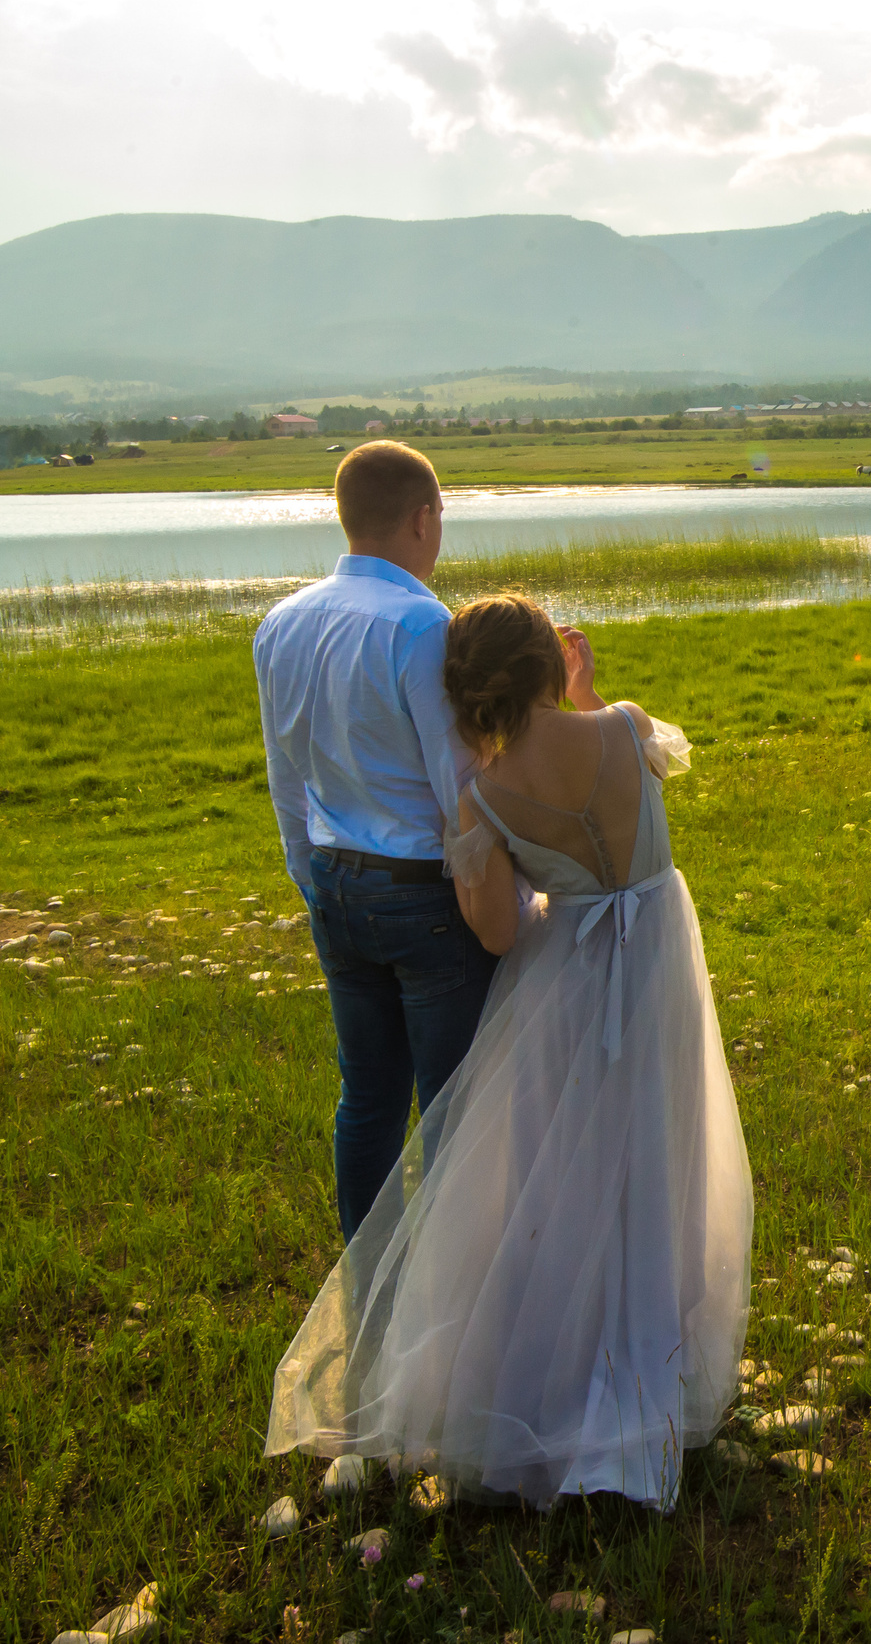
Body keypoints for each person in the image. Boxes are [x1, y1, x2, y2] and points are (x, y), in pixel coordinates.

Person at [264, 594, 751, 1511]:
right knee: (656, 1145)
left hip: (565, 977)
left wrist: (519, 887)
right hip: (656, 960)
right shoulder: (624, 726)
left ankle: (557, 1364)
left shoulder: (482, 800)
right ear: (549, 666)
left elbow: (493, 934)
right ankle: (655, 1352)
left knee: (562, 1163)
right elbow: (624, 779)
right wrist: (588, 694)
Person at [255, 441, 510, 1243]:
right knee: (450, 1102)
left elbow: (284, 773)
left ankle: (364, 1277)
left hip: (334, 877)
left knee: (365, 1094)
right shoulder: (420, 623)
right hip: (423, 892)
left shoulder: (281, 621)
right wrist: (500, 899)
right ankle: (448, 1287)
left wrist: (310, 876)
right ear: (422, 518)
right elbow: (458, 784)